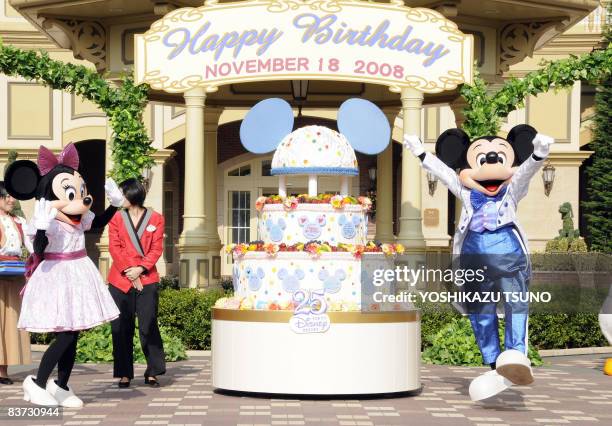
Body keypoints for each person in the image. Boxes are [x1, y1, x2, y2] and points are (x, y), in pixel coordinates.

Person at [4, 144, 124, 407]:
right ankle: (35, 383)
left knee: (74, 332)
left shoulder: (79, 218)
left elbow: (99, 221)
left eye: (80, 192)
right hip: (56, 276)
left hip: (79, 273)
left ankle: (61, 385)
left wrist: (115, 205)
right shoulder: (44, 218)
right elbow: (37, 249)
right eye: (71, 193)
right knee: (66, 334)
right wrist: (44, 229)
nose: (80, 199)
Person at [108, 178, 166, 388]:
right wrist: (131, 273)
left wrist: (140, 270)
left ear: (131, 195)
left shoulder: (156, 218)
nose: (119, 198)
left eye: (121, 194)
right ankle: (124, 373)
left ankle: (153, 371)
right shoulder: (116, 218)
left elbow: (156, 249)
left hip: (147, 277)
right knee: (121, 327)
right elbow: (115, 248)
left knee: (148, 324)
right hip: (120, 279)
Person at [0, 182, 32, 385]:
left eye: (12, 196)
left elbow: (31, 245)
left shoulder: (19, 221)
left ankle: (4, 368)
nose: (11, 200)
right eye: (7, 196)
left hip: (15, 274)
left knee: (11, 322)